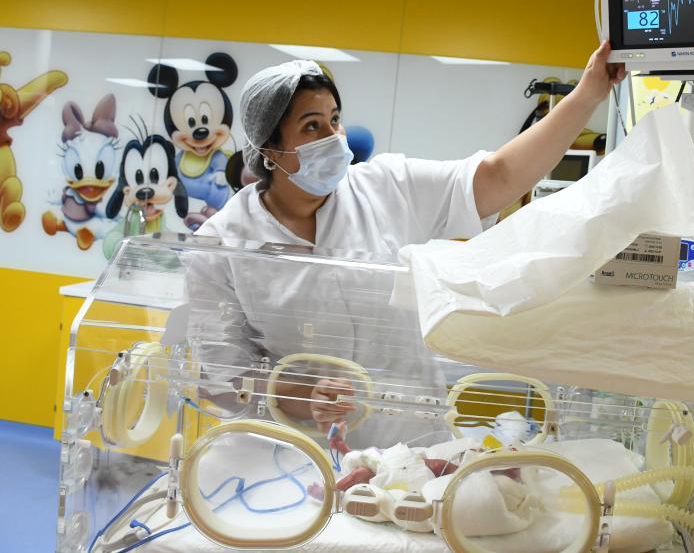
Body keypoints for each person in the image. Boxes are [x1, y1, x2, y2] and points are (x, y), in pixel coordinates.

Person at [190, 41, 625, 441]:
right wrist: (305, 397)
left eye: (335, 120)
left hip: (406, 443)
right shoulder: (222, 244)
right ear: (269, 150)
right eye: (312, 126)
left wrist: (587, 95)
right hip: (298, 455)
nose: (333, 138)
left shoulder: (386, 187)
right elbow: (224, 374)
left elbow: (499, 177)